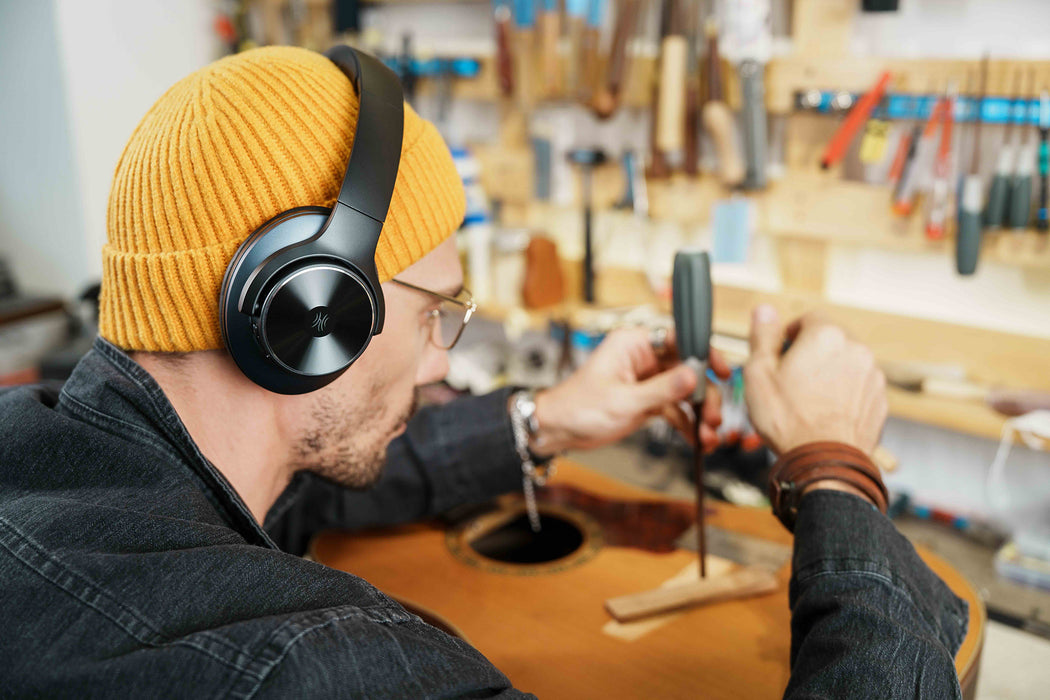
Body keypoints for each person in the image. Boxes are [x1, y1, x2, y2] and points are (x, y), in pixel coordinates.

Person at [0, 46, 967, 698]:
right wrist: (838, 470)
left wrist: (548, 420)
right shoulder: (326, 667)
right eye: (435, 312)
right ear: (312, 313)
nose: (440, 361)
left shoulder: (43, 463)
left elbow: (297, 494)